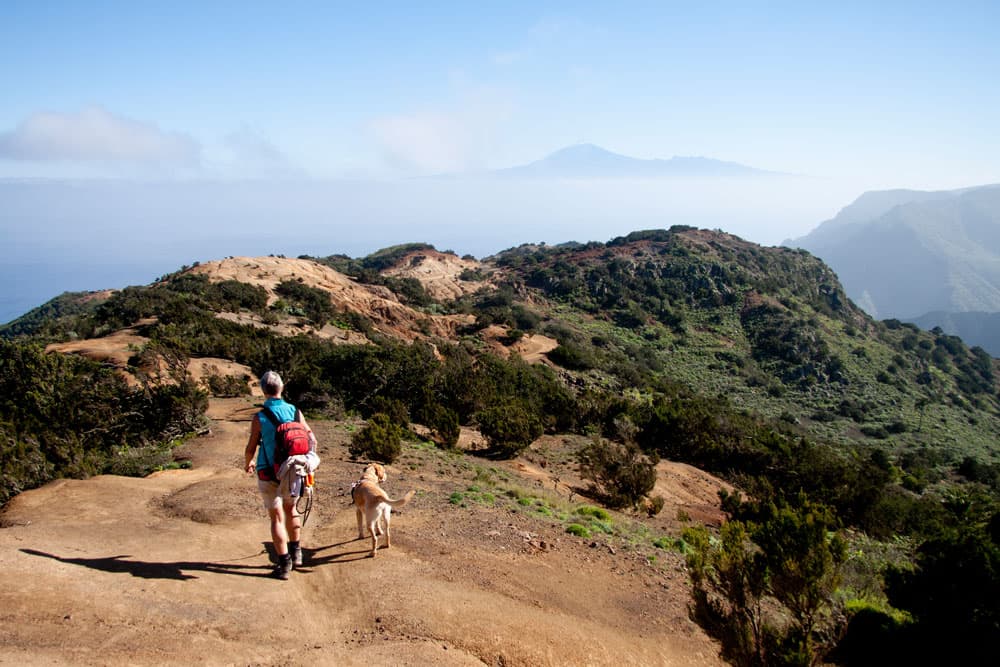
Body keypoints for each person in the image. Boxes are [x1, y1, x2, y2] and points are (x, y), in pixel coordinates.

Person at [244, 371, 314, 580]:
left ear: (263, 390)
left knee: (276, 516)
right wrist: (308, 463)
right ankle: (297, 552)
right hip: (293, 470)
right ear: (281, 388)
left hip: (268, 471)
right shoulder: (295, 412)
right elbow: (311, 438)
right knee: (291, 509)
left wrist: (248, 463)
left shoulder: (260, 417)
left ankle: (284, 564)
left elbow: (251, 446)